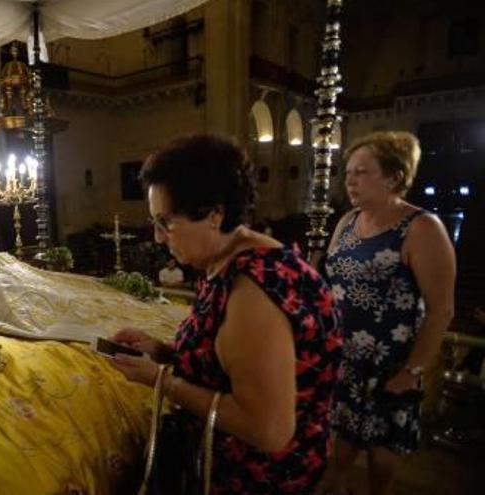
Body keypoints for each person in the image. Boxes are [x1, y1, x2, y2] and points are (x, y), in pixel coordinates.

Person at [108, 133, 342, 494]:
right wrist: (161, 351)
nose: (157, 238)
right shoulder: (231, 261)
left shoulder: (251, 292)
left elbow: (268, 431)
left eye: (165, 222)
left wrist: (162, 381)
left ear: (214, 214)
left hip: (256, 479)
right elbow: (228, 366)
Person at [319, 131, 456, 495]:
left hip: (391, 364)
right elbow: (330, 288)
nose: (349, 179)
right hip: (345, 360)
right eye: (347, 172)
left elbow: (442, 310)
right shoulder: (346, 221)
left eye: (361, 172)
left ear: (394, 177)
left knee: (381, 465)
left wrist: (412, 372)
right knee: (337, 455)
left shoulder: (423, 228)